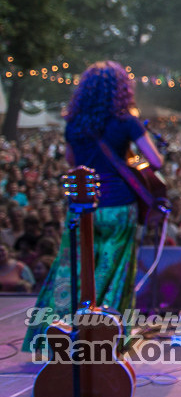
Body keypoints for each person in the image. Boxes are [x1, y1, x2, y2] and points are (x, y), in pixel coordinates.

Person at [23, 60, 164, 353]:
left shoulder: (74, 123)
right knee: (113, 271)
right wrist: (129, 161)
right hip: (118, 204)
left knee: (73, 270)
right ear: (122, 90)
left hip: (82, 206)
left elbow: (73, 161)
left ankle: (58, 335)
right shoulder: (127, 121)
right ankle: (103, 338)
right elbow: (155, 161)